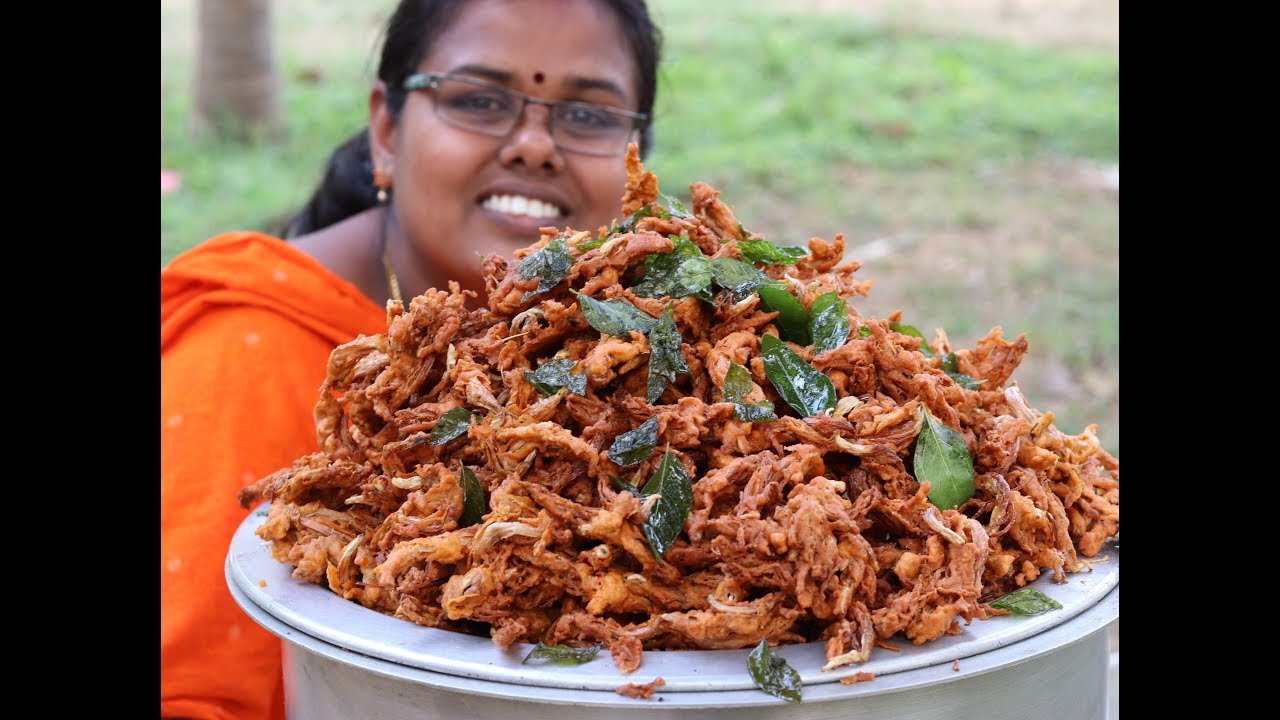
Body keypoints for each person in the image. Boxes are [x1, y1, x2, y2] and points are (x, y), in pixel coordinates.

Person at [159, 1, 662, 717]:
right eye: (479, 100)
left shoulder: (649, 354)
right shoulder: (249, 349)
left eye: (587, 115)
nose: (535, 146)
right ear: (387, 131)